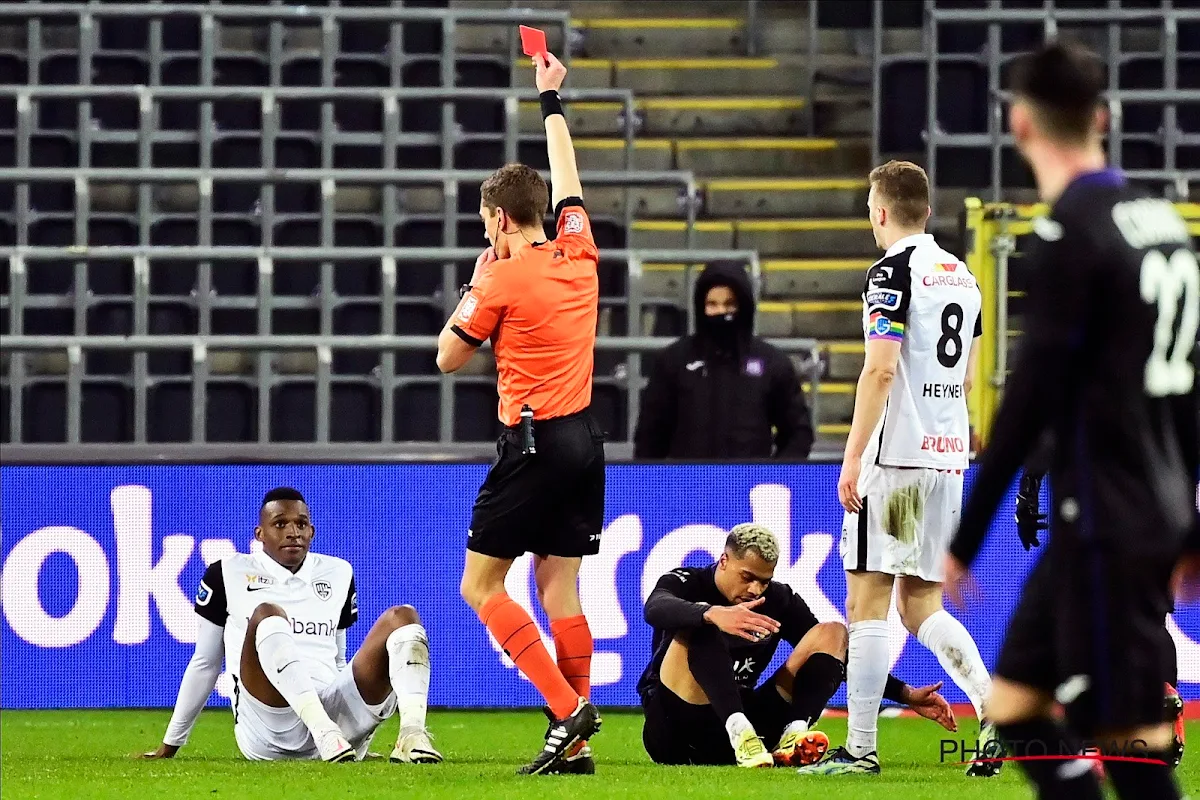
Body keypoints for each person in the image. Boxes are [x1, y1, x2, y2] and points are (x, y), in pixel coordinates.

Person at [944, 40, 1200, 800]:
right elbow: (1186, 388)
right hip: (1141, 506)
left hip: (1105, 522)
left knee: (1131, 741)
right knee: (1015, 709)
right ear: (1105, 117)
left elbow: (1031, 396)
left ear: (1019, 125)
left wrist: (967, 536)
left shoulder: (1065, 233)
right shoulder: (1162, 222)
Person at [797, 160, 999, 777]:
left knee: (868, 599)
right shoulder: (964, 278)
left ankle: (860, 751)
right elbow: (966, 377)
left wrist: (854, 455)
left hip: (897, 457)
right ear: (928, 212)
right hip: (947, 456)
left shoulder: (892, 272)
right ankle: (993, 712)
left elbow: (881, 369)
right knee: (921, 605)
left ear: (879, 212)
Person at [435, 50, 604, 776]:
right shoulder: (580, 247)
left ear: (502, 218)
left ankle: (568, 712)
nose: (484, 235)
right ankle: (580, 746)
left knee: (480, 585)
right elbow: (567, 176)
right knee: (558, 584)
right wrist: (550, 100)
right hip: (585, 439)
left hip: (531, 444)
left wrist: (476, 282)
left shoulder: (499, 276)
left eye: (485, 224)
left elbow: (447, 355)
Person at [142, 488, 439, 764]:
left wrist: (357, 728)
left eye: (301, 524)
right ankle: (324, 733)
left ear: (312, 531)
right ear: (260, 533)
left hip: (336, 722)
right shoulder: (227, 572)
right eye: (280, 524)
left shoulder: (338, 572)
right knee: (267, 615)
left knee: (403, 618)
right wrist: (170, 744)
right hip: (268, 727)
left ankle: (411, 735)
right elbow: (206, 663)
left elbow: (336, 657)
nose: (293, 532)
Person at [639, 523, 958, 769]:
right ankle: (741, 733)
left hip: (745, 724)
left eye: (763, 580)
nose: (755, 589)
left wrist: (904, 694)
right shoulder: (688, 582)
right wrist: (712, 613)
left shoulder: (777, 599)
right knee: (700, 627)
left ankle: (794, 733)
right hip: (674, 728)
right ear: (723, 561)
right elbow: (654, 608)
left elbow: (834, 654)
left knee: (832, 633)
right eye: (747, 576)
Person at [633, 261, 814, 459]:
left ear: (743, 306)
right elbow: (650, 436)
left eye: (730, 304)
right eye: (712, 304)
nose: (721, 311)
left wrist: (774, 477)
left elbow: (798, 431)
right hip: (688, 485)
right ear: (701, 306)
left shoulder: (772, 363)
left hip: (749, 484)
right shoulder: (673, 361)